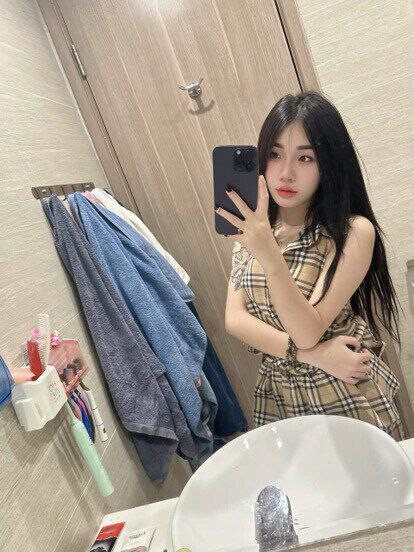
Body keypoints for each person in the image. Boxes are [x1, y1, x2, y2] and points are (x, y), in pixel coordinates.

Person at [216, 91, 404, 440]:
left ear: (328, 164)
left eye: (305, 158)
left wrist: (269, 255)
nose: (286, 173)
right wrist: (314, 356)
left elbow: (307, 331)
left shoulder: (351, 232)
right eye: (275, 155)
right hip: (281, 398)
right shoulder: (254, 229)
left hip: (344, 393)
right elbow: (234, 319)